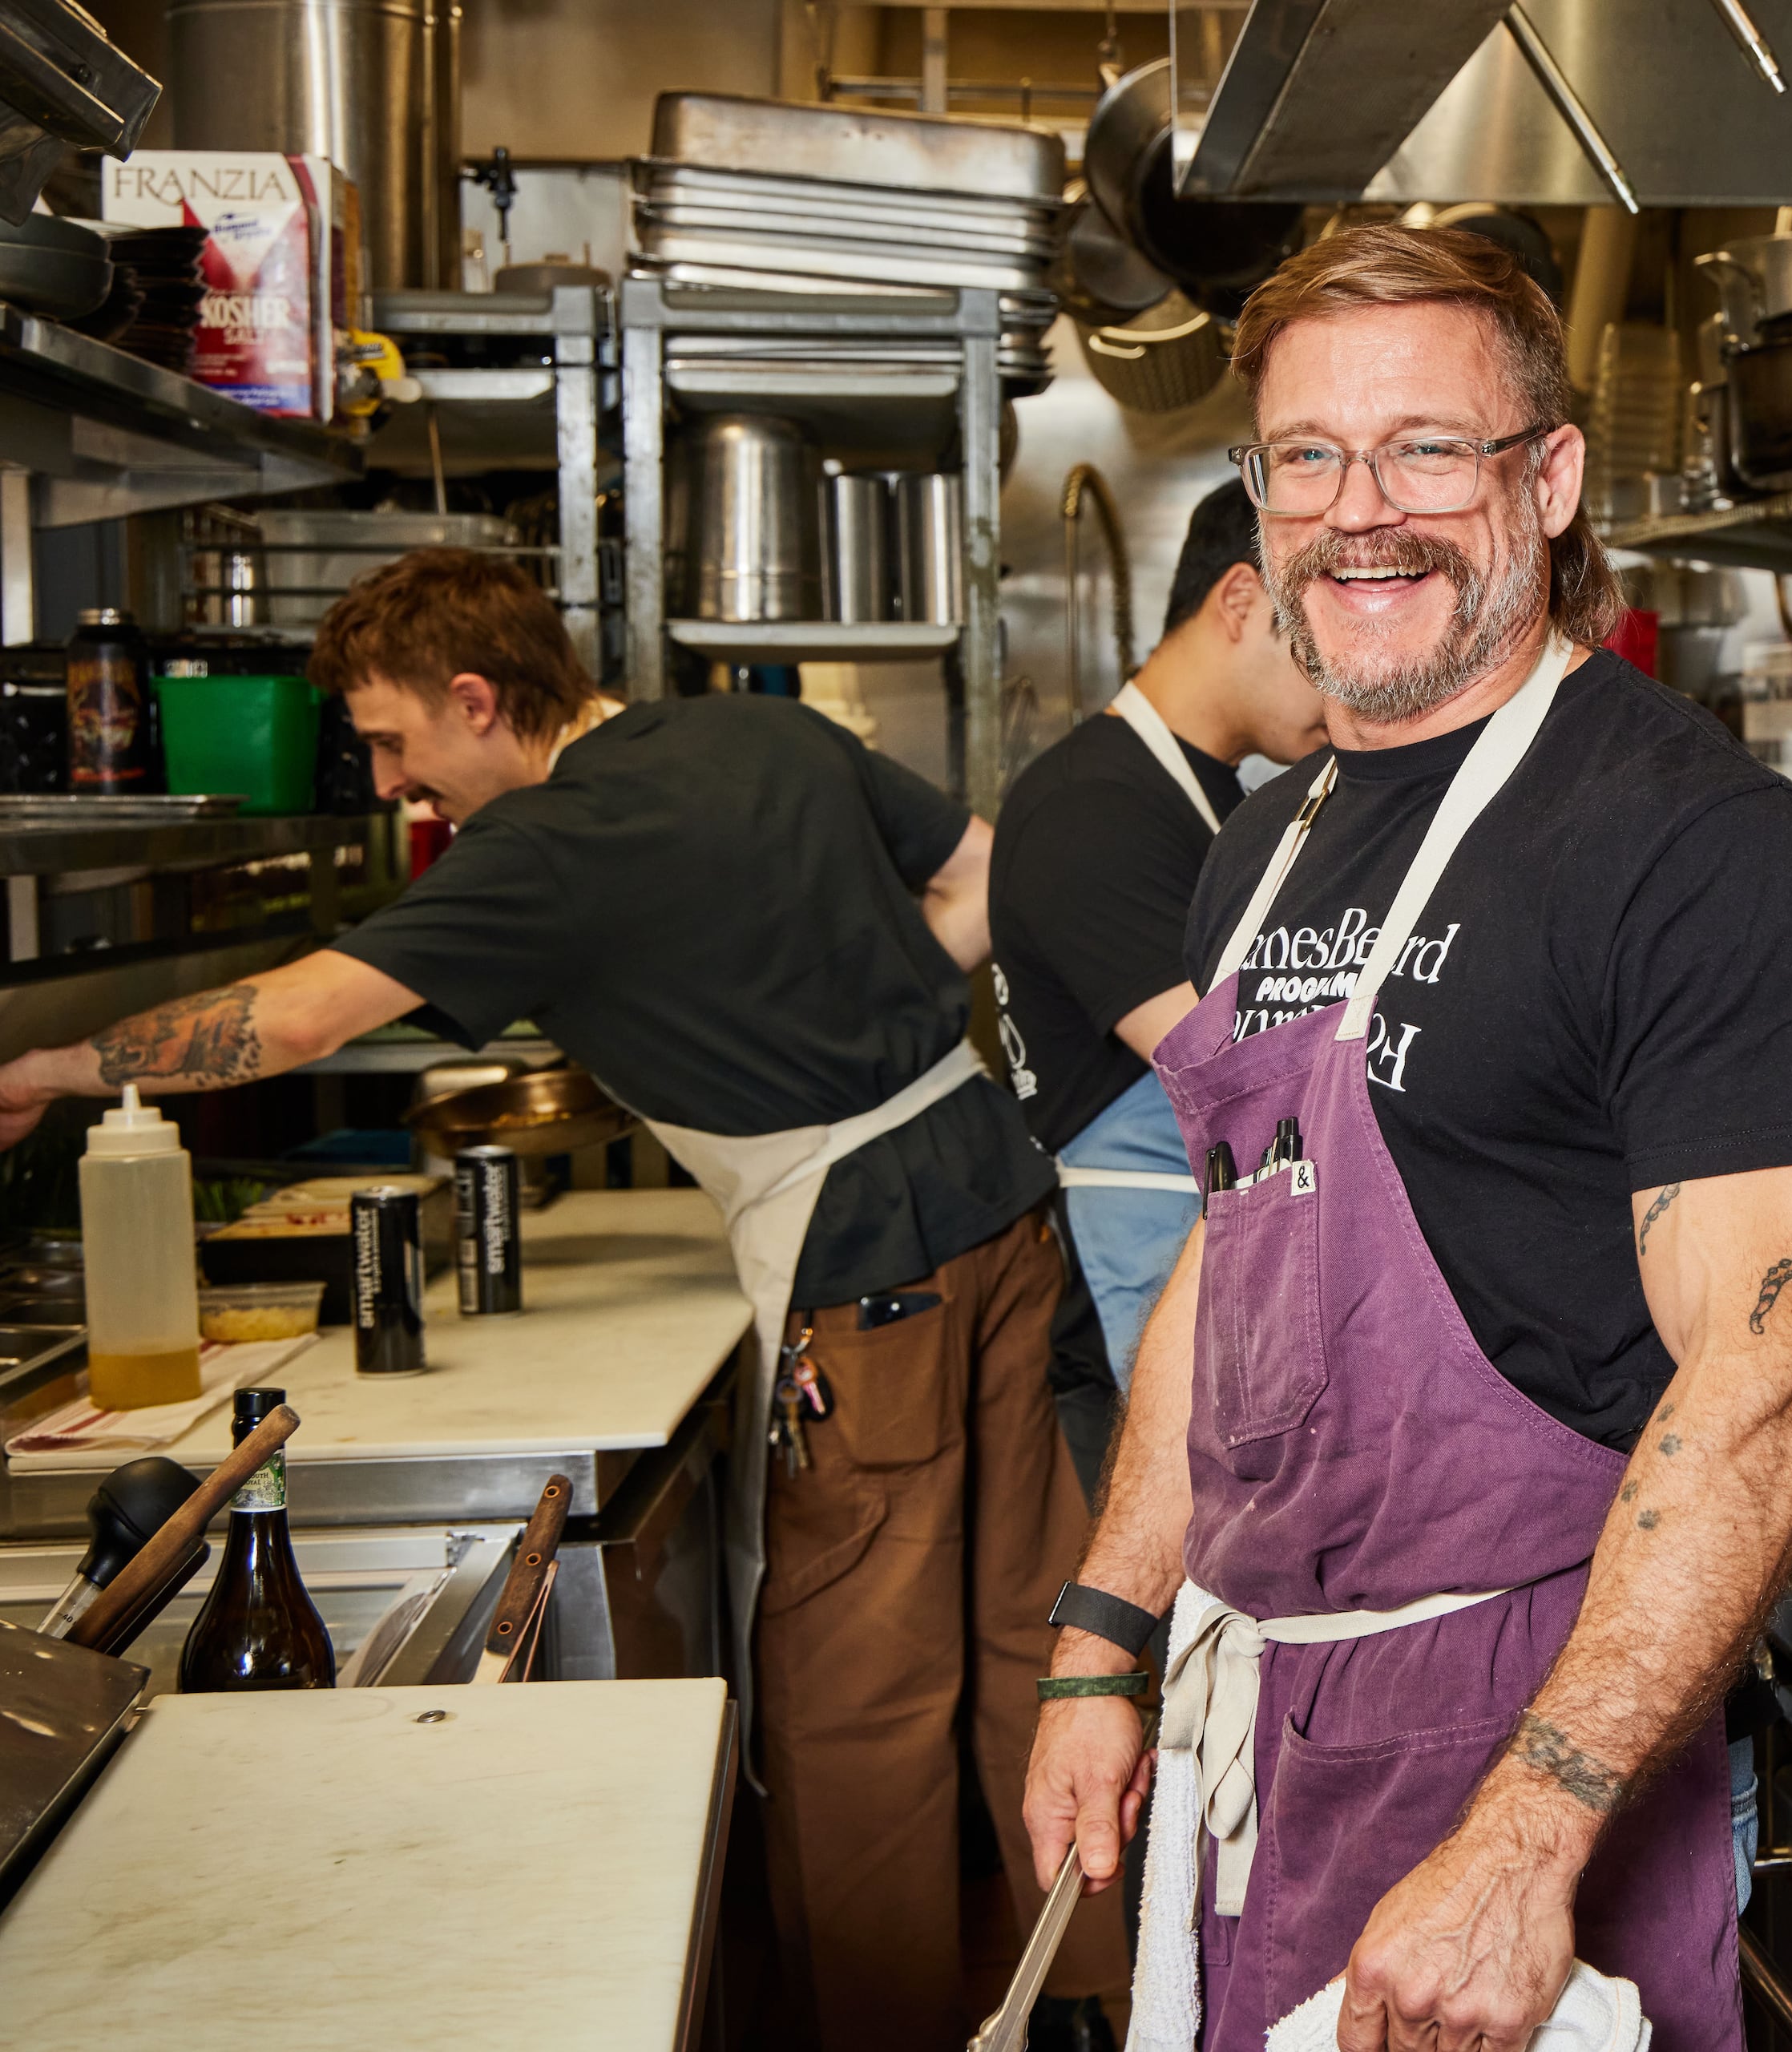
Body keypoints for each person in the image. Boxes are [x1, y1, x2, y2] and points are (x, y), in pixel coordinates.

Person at [0, 551, 1122, 2052]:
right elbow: (988, 868)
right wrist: (863, 1027)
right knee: (1039, 1648)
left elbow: (295, 1017)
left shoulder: (537, 846)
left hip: (871, 1283)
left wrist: (45, 1071)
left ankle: (889, 2030)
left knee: (857, 1696)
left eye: (397, 739)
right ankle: (1099, 2003)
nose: (397, 781)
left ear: (478, 699)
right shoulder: (760, 732)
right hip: (1008, 1200)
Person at [1017, 224, 1792, 2052]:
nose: (1362, 513)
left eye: (1428, 448)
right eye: (1309, 459)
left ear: (1547, 478)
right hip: (1269, 1721)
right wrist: (1109, 1628)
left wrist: (1523, 1831)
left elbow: (1779, 1365)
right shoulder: (1258, 853)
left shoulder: (1696, 849)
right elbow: (1232, 1255)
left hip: (1530, 1741)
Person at [992, 479, 1326, 1396]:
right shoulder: (1091, 809)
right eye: (1322, 629)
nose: (1343, 671)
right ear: (1241, 601)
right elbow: (1234, 1071)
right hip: (1144, 1281)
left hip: (1228, 1257)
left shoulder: (1218, 796)